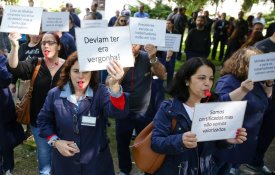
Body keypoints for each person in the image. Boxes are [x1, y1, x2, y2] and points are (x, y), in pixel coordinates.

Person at [151, 57, 248, 175]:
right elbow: (156, 142)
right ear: (187, 80)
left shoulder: (214, 107)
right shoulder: (169, 108)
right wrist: (180, 140)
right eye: (202, 78)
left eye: (211, 78)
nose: (208, 83)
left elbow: (217, 143)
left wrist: (228, 140)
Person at [37, 52, 129, 175]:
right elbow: (43, 121)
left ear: (92, 73)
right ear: (68, 72)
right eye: (76, 71)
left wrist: (115, 86)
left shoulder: (100, 92)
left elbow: (119, 113)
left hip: (96, 165)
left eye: (85, 71)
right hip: (65, 165)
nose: (81, 76)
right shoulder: (55, 94)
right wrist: (56, 142)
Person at [8, 32, 66, 175]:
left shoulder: (68, 66)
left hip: (63, 120)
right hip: (39, 120)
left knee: (61, 156)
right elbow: (15, 67)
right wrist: (15, 47)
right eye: (43, 42)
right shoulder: (36, 63)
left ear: (58, 46)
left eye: (51, 42)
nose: (46, 45)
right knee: (45, 155)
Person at [213, 47, 272, 175]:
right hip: (227, 141)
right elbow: (218, 107)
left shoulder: (255, 82)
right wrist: (242, 91)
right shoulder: (228, 80)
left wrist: (268, 84)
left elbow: (265, 100)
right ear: (242, 63)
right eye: (254, 62)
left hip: (244, 139)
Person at [113, 44, 166, 175]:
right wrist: (126, 63)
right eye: (129, 42)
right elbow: (114, 83)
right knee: (122, 142)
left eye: (135, 43)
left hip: (144, 110)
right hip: (123, 111)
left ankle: (146, 168)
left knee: (146, 144)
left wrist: (153, 58)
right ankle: (125, 170)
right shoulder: (117, 58)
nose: (132, 46)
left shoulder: (146, 57)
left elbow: (162, 74)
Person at [242, 29, 275, 175]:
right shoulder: (262, 46)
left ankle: (257, 161)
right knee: (252, 129)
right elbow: (249, 72)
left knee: (269, 130)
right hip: (261, 95)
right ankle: (239, 162)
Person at [0, 53, 25, 175]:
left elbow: (6, 79)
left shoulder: (2, 58)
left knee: (5, 140)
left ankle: (8, 168)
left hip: (2, 108)